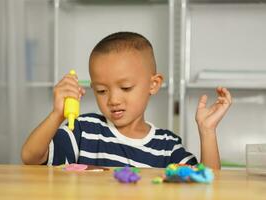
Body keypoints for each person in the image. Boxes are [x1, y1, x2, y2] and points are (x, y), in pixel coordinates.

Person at [21, 32, 232, 169]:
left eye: (126, 88)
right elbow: (30, 156)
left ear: (154, 84)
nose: (113, 99)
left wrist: (207, 131)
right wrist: (57, 114)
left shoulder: (166, 146)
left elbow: (209, 180)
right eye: (102, 91)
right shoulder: (83, 130)